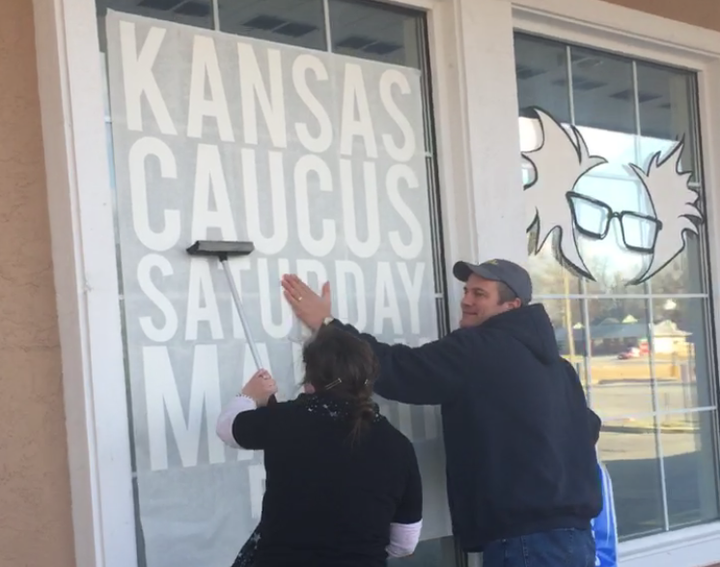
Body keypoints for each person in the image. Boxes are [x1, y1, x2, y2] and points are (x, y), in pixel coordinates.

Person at [281, 258, 603, 567]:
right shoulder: (559, 369)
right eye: (466, 290)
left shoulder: (479, 348)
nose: (466, 300)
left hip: (526, 542)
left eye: (480, 294)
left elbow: (398, 370)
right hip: (575, 537)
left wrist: (327, 327)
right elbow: (588, 429)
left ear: (512, 306)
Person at [215, 324, 423, 567]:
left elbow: (227, 427)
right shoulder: (399, 446)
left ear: (309, 375)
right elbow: (405, 542)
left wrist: (250, 394)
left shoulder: (285, 421)